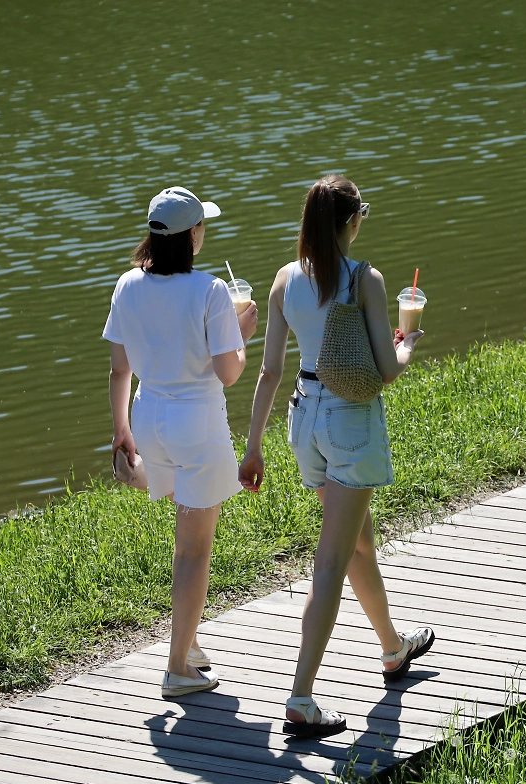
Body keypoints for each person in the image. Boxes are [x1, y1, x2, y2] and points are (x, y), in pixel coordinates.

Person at [239, 174, 434, 737]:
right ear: (352, 221)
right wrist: (408, 343)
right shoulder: (363, 279)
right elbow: (384, 370)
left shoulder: (282, 281)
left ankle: (393, 650)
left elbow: (272, 370)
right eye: (362, 214)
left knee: (357, 543)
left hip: (303, 421)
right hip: (349, 421)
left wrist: (253, 446)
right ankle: (301, 698)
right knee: (330, 561)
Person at [104, 186, 258, 698]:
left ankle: (186, 643)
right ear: (193, 235)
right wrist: (243, 334)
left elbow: (119, 368)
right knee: (195, 549)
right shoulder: (210, 290)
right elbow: (228, 372)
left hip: (150, 418)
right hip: (198, 425)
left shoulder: (127, 285)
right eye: (202, 226)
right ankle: (177, 669)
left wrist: (122, 429)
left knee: (183, 538)